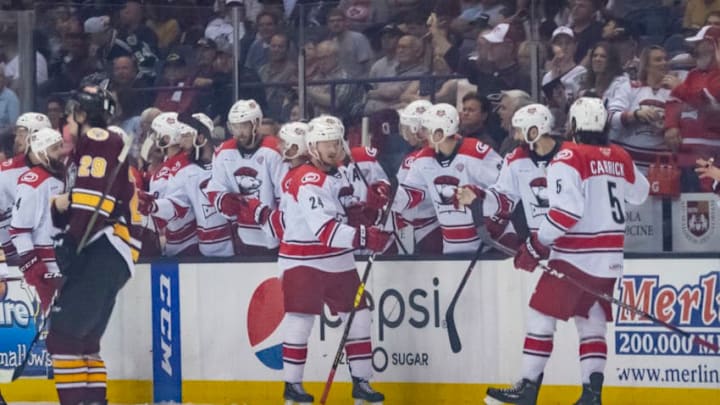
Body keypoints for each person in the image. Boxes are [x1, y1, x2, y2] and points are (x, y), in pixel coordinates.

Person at [483, 97, 649, 405]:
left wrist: (535, 245)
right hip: (611, 259)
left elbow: (565, 214)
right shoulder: (620, 155)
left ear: (572, 124)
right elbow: (640, 194)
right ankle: (591, 395)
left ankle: (528, 387)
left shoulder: (569, 155)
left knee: (540, 317)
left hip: (576, 257)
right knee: (592, 323)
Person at [277, 119, 389, 404]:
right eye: (328, 143)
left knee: (359, 316)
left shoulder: (338, 173)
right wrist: (364, 237)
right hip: (303, 259)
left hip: (338, 260)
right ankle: (292, 386)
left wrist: (369, 212)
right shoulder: (306, 179)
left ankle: (361, 382)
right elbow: (325, 230)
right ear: (313, 146)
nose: (335, 147)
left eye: (338, 141)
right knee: (301, 319)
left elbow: (348, 216)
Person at [49, 85, 140, 405]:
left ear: (83, 115)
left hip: (103, 245)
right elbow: (83, 200)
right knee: (82, 342)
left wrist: (72, 240)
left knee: (63, 338)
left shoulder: (98, 139)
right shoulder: (81, 153)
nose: (66, 123)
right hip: (107, 250)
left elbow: (92, 203)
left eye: (71, 115)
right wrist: (58, 208)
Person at [392, 103, 504, 254]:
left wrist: (498, 220)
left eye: (426, 129)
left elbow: (506, 190)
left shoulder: (476, 153)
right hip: (451, 246)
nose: (423, 135)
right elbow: (412, 194)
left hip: (488, 244)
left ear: (438, 134)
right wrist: (389, 194)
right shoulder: (423, 159)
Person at [137, 113, 234, 257]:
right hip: (206, 249)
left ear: (200, 138)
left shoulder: (227, 161)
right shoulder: (184, 172)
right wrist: (153, 206)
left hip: (237, 246)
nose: (181, 142)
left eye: (186, 135)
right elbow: (177, 203)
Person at [206, 99, 283, 256]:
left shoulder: (274, 150)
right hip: (242, 233)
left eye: (244, 126)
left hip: (273, 233)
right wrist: (223, 201)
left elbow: (284, 195)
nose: (239, 132)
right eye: (235, 126)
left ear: (256, 124)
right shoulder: (223, 152)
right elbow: (215, 188)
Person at [10, 127, 67, 312]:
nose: (61, 152)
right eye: (55, 148)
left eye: (60, 146)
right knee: (51, 319)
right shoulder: (32, 182)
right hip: (46, 261)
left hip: (64, 257)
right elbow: (18, 230)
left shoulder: (62, 175)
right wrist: (32, 264)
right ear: (42, 152)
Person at [0, 113, 53, 268]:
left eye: (21, 134)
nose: (16, 139)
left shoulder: (60, 170)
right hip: (12, 255)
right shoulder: (5, 170)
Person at [147, 112, 199, 257]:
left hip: (187, 243)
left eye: (158, 133)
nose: (155, 137)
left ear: (168, 136)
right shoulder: (170, 164)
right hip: (175, 240)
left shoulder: (185, 166)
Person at [392, 100, 441, 254]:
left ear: (417, 128)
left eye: (407, 127)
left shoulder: (413, 159)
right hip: (443, 225)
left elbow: (400, 201)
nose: (404, 132)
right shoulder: (445, 151)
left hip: (425, 228)